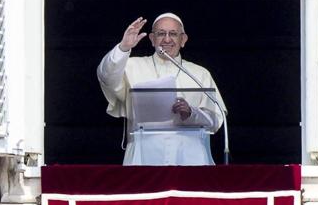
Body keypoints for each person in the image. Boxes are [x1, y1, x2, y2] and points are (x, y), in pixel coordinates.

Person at [97, 12, 226, 165]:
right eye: (160, 34)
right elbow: (106, 76)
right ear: (152, 39)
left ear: (183, 40)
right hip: (144, 154)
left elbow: (216, 119)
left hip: (190, 155)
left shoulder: (200, 73)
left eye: (173, 34)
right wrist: (123, 48)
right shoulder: (132, 66)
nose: (166, 39)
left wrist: (192, 113)